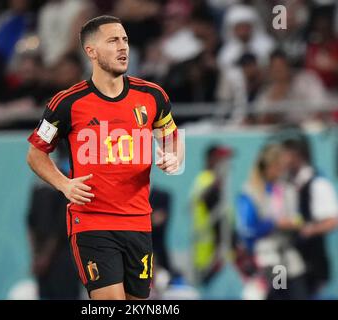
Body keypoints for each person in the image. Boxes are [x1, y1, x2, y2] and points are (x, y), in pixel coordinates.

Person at [26, 15, 184, 300]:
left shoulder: (152, 96)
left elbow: (172, 139)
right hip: (92, 222)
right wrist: (64, 184)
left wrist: (174, 159)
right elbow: (35, 154)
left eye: (124, 39)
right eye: (113, 41)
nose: (123, 47)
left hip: (138, 222)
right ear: (91, 52)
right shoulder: (66, 103)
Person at [236, 143, 307, 300]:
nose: (279, 171)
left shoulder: (285, 188)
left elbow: (296, 217)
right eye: (276, 166)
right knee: (278, 293)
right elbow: (248, 229)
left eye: (281, 167)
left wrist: (295, 223)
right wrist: (274, 224)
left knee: (298, 293)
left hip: (289, 255)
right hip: (270, 259)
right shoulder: (251, 191)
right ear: (266, 167)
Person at [282, 138, 338, 298]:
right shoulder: (281, 184)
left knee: (301, 294)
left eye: (285, 154)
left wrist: (308, 230)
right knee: (278, 290)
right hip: (279, 259)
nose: (282, 160)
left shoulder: (317, 183)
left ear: (298, 155)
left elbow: (334, 221)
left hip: (309, 261)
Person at [27, 150, 80, 300]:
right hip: (45, 262)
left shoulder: (66, 184)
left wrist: (42, 257)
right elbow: (30, 223)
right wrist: (36, 257)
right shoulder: (38, 187)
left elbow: (60, 228)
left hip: (63, 258)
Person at [189, 144, 233, 285]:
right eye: (221, 160)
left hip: (216, 248)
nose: (225, 165)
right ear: (211, 159)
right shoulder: (206, 180)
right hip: (210, 251)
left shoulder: (211, 181)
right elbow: (206, 203)